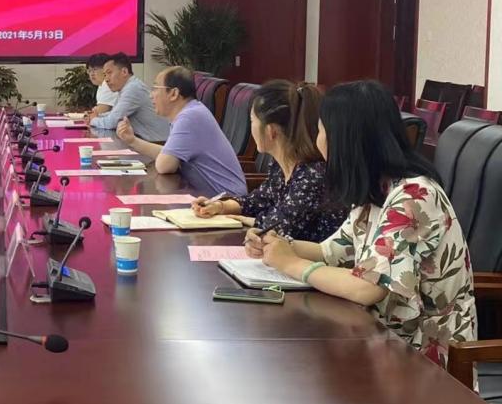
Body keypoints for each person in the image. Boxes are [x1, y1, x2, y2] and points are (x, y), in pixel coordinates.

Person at [247, 80, 476, 367]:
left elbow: (368, 288)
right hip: (379, 341)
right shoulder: (377, 188)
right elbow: (331, 251)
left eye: (321, 131)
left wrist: (291, 264)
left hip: (424, 360)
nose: (318, 141)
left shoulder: (414, 197)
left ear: (345, 140)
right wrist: (279, 246)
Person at [191, 80, 347, 242]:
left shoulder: (312, 175)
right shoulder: (280, 165)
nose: (251, 126)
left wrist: (250, 220)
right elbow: (259, 200)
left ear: (270, 130)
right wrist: (220, 206)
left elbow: (276, 229)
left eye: (252, 120)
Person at [117, 66, 245, 197]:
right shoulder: (189, 112)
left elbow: (164, 165)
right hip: (210, 198)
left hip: (227, 201)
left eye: (155, 88)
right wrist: (132, 140)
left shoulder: (190, 117)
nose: (151, 95)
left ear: (174, 94)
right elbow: (169, 154)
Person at [88, 53, 170, 142]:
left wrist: (93, 120)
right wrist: (97, 116)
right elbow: (114, 114)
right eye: (105, 75)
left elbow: (112, 122)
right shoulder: (126, 88)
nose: (106, 79)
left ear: (124, 72)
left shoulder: (133, 89)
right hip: (148, 141)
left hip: (158, 144)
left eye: (109, 73)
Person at [86, 53, 118, 118]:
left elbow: (101, 111)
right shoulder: (102, 85)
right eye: (89, 70)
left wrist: (89, 113)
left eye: (95, 69)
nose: (92, 74)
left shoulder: (108, 85)